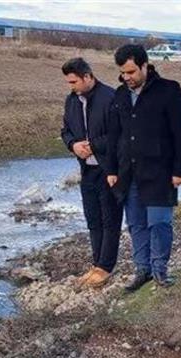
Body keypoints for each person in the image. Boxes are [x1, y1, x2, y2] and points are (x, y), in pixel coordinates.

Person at [106, 44, 181, 291]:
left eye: (131, 72)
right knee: (136, 224)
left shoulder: (169, 91)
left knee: (159, 223)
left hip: (160, 173)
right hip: (128, 173)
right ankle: (142, 270)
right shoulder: (120, 95)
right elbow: (114, 135)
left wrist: (180, 171)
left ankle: (160, 271)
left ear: (145, 66)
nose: (127, 77)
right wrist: (112, 170)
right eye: (123, 72)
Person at [60, 57, 123, 288]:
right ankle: (97, 264)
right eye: (69, 82)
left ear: (88, 76)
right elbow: (66, 130)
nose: (71, 86)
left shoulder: (111, 97)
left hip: (110, 170)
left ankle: (106, 268)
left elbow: (121, 135)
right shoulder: (72, 101)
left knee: (110, 220)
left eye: (74, 81)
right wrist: (73, 146)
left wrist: (93, 145)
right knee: (93, 219)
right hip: (86, 170)